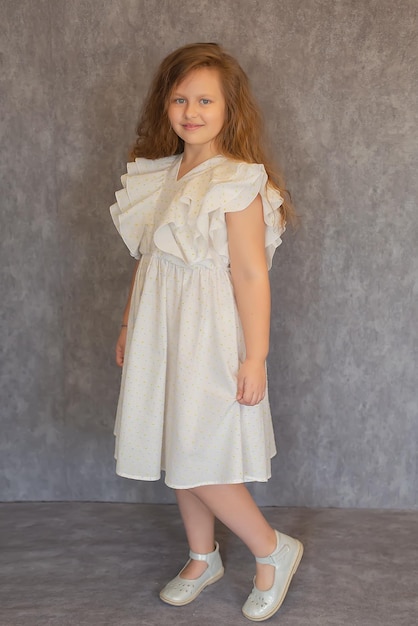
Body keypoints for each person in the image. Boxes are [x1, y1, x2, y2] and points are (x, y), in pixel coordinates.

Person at [110, 42, 303, 622]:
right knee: (174, 441)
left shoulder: (237, 179)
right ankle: (203, 556)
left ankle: (272, 549)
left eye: (205, 99)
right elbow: (148, 260)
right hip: (158, 325)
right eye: (180, 98)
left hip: (207, 332)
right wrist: (126, 323)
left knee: (200, 447)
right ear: (165, 106)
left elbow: (249, 273)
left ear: (229, 108)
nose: (191, 110)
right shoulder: (165, 172)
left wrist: (256, 356)